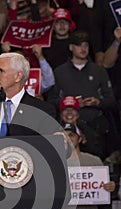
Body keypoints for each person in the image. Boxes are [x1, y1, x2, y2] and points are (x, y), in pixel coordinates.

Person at [47, 30, 116, 159]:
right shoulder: (60, 72)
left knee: (95, 163)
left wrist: (97, 102)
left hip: (95, 126)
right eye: (79, 45)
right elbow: (51, 100)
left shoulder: (99, 71)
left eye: (86, 45)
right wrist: (70, 103)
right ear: (71, 47)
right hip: (69, 128)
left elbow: (111, 100)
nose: (83, 49)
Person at [62, 123, 115, 209]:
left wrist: (110, 187)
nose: (68, 138)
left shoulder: (94, 161)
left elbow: (104, 190)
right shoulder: (55, 163)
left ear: (80, 139)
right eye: (64, 136)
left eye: (71, 135)